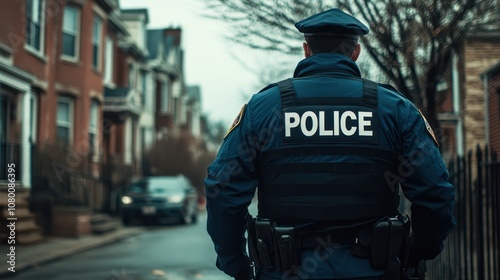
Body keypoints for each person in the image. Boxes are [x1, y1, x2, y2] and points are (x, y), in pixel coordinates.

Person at [205, 8, 456, 280]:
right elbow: (435, 193)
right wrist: (417, 254)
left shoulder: (263, 109)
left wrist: (237, 265)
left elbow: (223, 189)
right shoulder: (396, 109)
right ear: (355, 52)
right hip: (375, 270)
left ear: (306, 50)